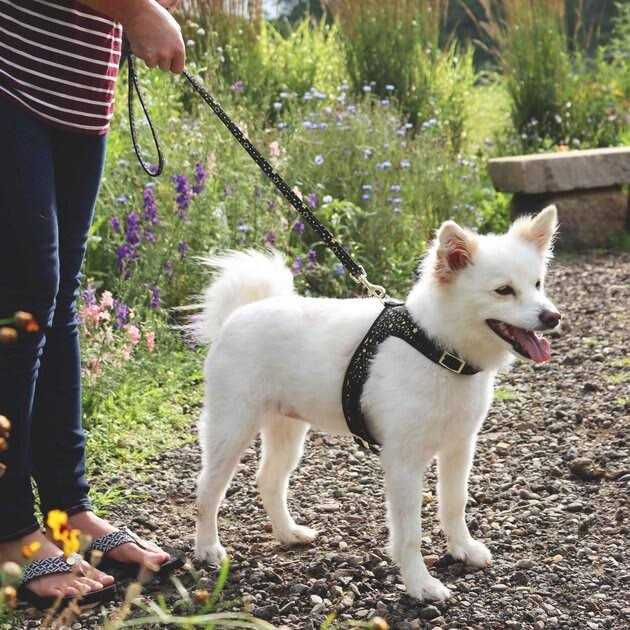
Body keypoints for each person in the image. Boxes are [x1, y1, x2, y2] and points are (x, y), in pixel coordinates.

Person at [0, 0, 186, 607]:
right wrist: (134, 10)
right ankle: (7, 531)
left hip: (76, 90)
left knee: (55, 299)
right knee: (24, 300)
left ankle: (67, 511)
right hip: (12, 72)